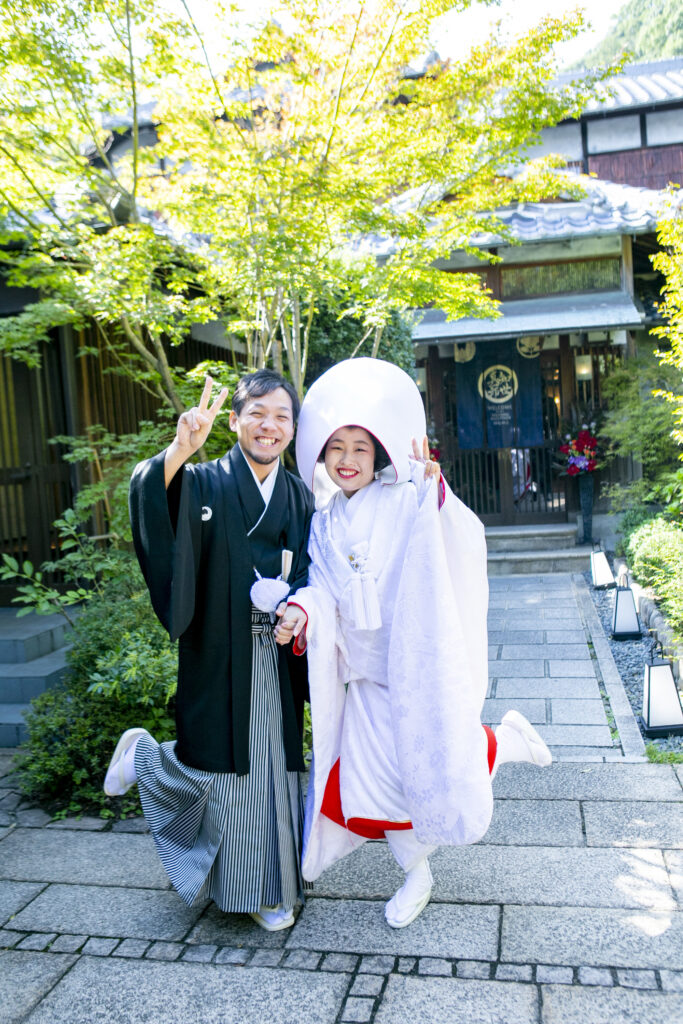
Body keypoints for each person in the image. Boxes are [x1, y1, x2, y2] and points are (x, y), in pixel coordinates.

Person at [275, 358, 552, 929]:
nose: (348, 459)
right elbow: (320, 587)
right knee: (378, 786)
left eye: (360, 447)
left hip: (410, 665)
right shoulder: (323, 522)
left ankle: (497, 745)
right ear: (322, 456)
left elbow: (452, 536)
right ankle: (421, 869)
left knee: (427, 768)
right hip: (363, 680)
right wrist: (303, 609)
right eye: (336, 447)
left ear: (378, 454)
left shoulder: (403, 498)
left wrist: (433, 489)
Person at [104, 370, 315, 932]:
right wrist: (179, 450)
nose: (269, 426)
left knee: (272, 768)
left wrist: (302, 605)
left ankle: (274, 883)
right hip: (218, 648)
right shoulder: (202, 480)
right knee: (222, 769)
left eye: (282, 416)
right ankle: (257, 892)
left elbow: (315, 568)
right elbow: (150, 494)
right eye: (257, 414)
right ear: (234, 421)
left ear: (293, 429)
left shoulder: (298, 494)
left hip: (277, 651)